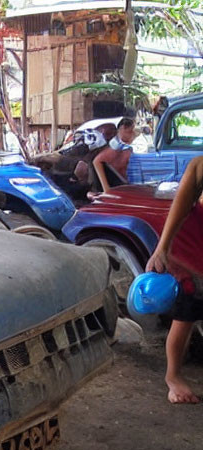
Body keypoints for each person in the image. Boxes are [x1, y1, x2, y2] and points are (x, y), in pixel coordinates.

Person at [145, 155, 203, 404]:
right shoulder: (200, 164)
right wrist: (162, 249)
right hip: (192, 249)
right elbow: (180, 207)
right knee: (186, 314)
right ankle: (173, 377)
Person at [90, 117, 137, 193]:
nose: (133, 134)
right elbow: (97, 161)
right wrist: (106, 188)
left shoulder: (128, 148)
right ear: (122, 130)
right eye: (130, 131)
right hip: (116, 186)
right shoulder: (115, 148)